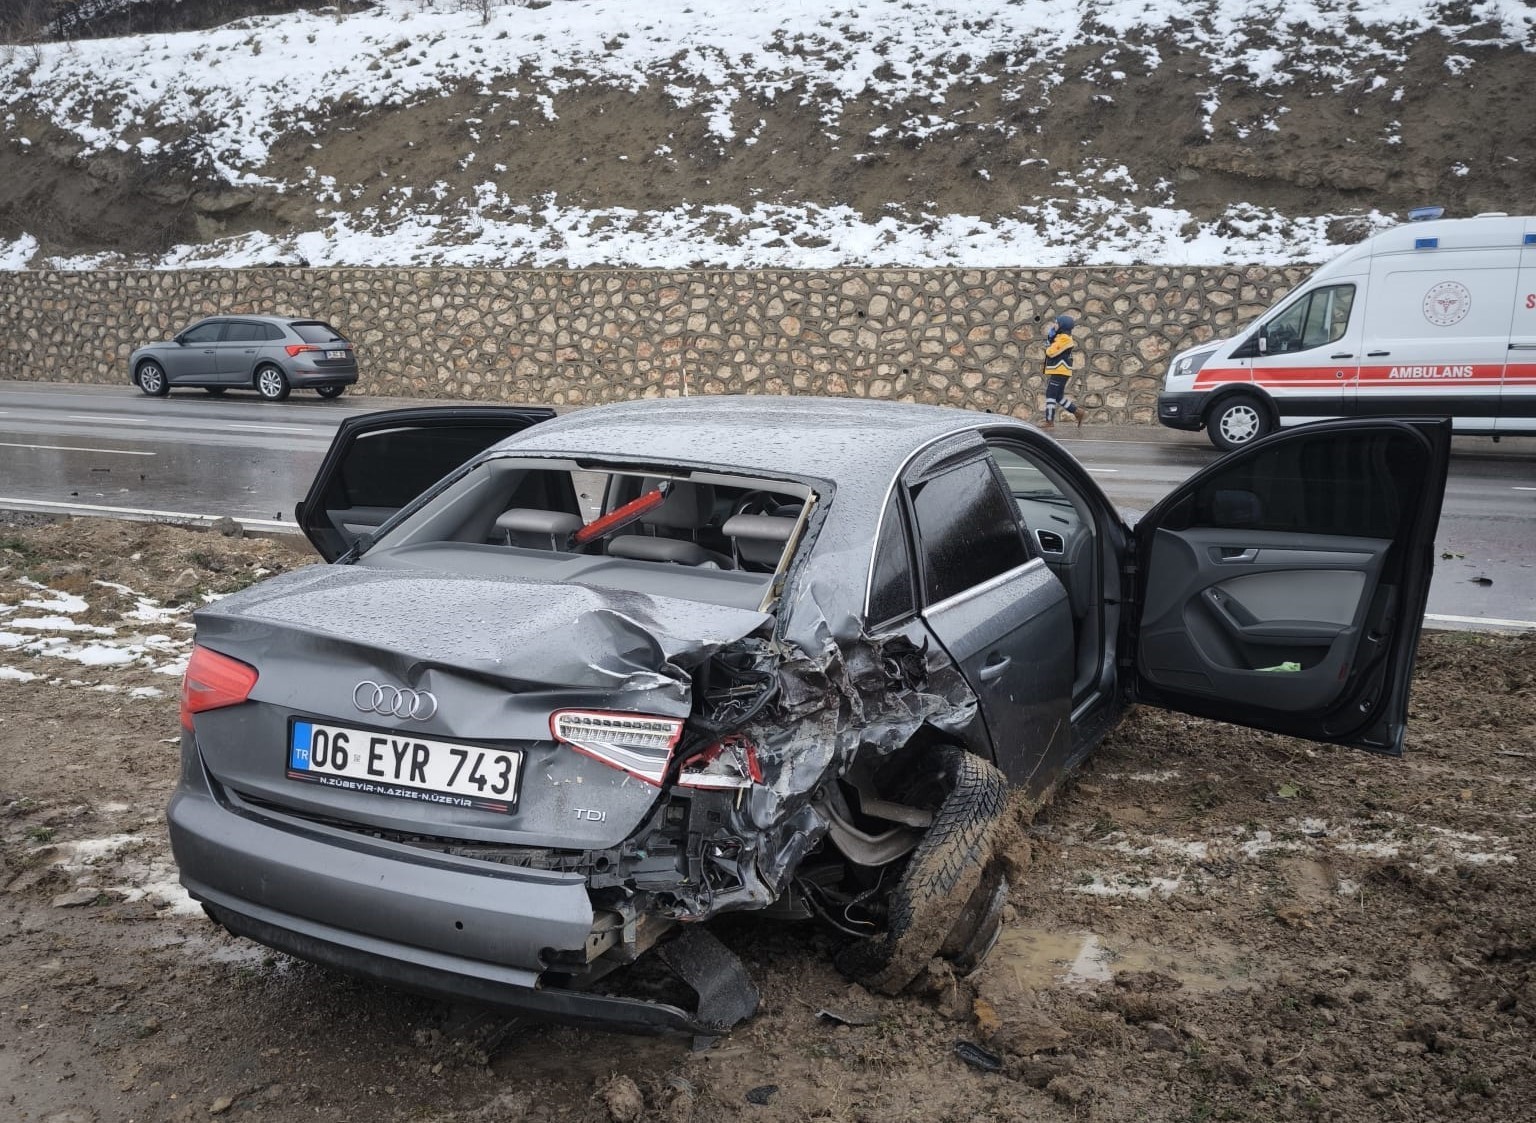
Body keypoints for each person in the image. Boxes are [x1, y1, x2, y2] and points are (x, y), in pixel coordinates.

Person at [1040, 314, 1085, 429]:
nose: (1054, 325)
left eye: (1056, 323)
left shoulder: (1065, 339)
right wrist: (1051, 338)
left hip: (1060, 371)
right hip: (1060, 371)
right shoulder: (1060, 337)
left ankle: (1049, 421)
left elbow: (1050, 352)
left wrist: (1049, 342)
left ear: (1062, 325)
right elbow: (1051, 346)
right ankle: (1077, 412)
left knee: (1050, 394)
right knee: (1058, 396)